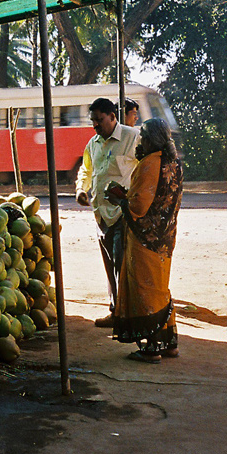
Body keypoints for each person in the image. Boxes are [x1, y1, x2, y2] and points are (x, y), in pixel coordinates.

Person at [105, 119, 184, 363]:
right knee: (160, 288)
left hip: (144, 237)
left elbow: (139, 206)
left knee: (145, 289)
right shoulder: (175, 164)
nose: (141, 141)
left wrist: (119, 198)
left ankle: (152, 347)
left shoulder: (150, 164)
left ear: (150, 139)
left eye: (143, 137)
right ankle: (169, 342)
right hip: (166, 238)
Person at [76, 98, 140, 327]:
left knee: (123, 266)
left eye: (99, 120)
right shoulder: (93, 144)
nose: (95, 125)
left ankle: (127, 314)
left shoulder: (132, 138)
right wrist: (81, 190)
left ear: (113, 117)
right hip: (100, 215)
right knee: (110, 265)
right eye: (93, 120)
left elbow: (147, 169)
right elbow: (86, 170)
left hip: (123, 214)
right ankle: (116, 311)